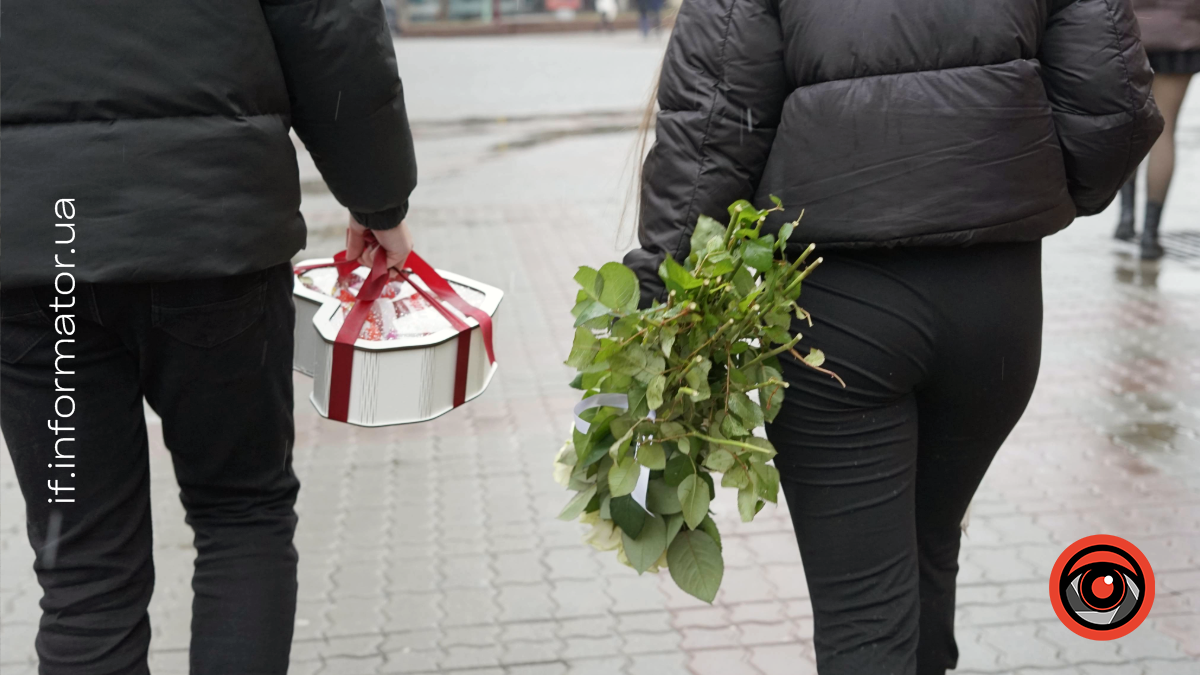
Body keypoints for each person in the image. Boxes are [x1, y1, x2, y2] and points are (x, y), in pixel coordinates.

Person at [624, 0, 1161, 673]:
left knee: (864, 617)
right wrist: (1026, 192)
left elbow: (707, 136)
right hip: (996, 306)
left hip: (836, 315)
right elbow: (1117, 105)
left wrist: (652, 312)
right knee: (929, 547)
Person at [0, 1, 417, 673]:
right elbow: (327, 22)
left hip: (36, 249)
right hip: (213, 230)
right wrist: (378, 198)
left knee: (83, 566)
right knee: (241, 514)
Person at [1113, 0, 1199, 259]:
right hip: (1181, 36)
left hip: (1133, 34)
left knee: (1132, 125)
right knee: (1165, 130)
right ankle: (1150, 235)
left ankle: (1125, 219)